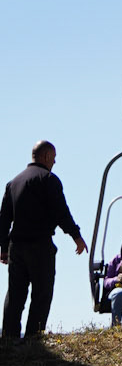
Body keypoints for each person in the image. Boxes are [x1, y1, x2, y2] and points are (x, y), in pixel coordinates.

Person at [0, 139, 87, 343]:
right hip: (40, 245)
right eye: (54, 158)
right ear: (47, 156)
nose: (54, 163)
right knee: (42, 293)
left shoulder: (13, 183)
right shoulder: (48, 179)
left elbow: (4, 218)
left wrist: (4, 248)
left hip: (17, 247)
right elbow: (61, 212)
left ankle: (8, 340)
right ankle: (33, 339)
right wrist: (76, 236)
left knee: (15, 295)